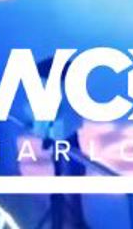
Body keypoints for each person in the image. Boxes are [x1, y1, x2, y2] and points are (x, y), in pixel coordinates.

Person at [35, 56, 87, 229]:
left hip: (65, 140)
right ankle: (68, 219)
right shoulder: (66, 90)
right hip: (66, 139)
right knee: (68, 178)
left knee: (67, 179)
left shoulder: (57, 92)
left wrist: (45, 133)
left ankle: (67, 219)